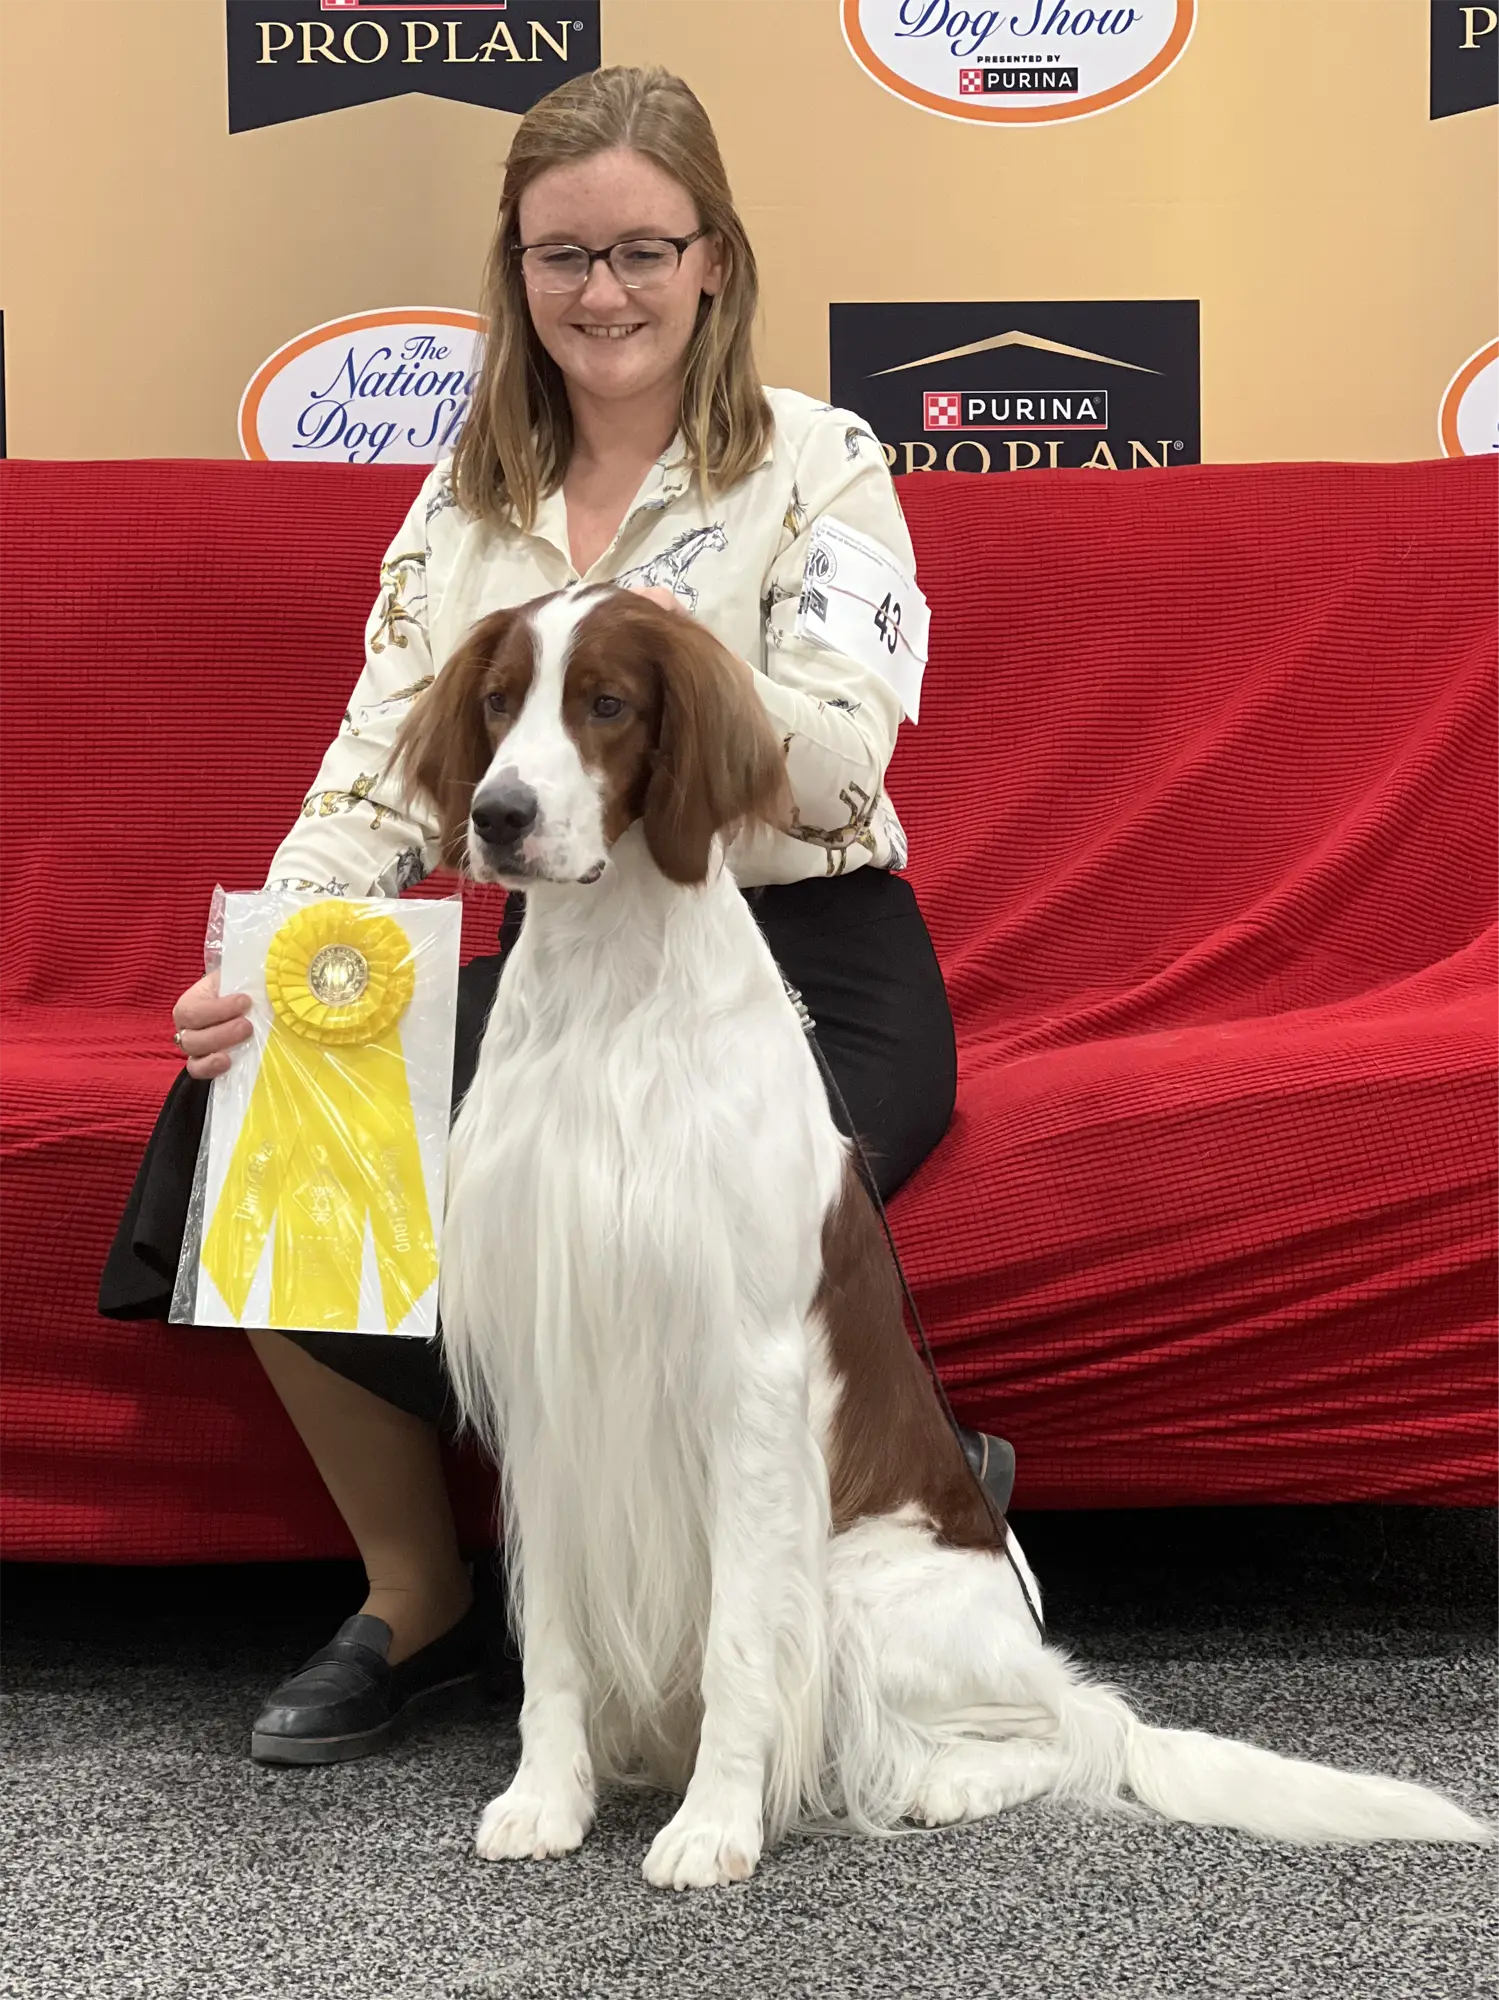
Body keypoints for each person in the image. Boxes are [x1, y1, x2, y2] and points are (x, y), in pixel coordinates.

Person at [99, 64, 1007, 1768]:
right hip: (568, 956)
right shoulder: (460, 506)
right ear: (513, 271)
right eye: (559, 257)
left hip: (797, 952)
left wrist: (658, 663)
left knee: (693, 1221)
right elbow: (382, 771)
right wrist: (275, 962)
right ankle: (422, 1597)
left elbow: (839, 758)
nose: (602, 292)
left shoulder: (823, 458)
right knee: (241, 1111)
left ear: (716, 259)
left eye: (642, 250)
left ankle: (880, 1476)